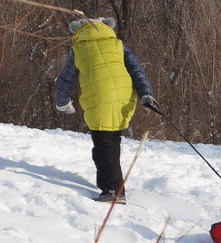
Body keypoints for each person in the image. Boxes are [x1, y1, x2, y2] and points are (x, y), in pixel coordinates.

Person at [54, 17, 160, 203]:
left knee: (103, 146)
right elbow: (137, 70)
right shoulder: (118, 45)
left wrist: (62, 102)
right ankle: (110, 183)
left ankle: (113, 191)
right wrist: (146, 94)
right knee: (112, 140)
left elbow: (66, 80)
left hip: (99, 97)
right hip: (124, 97)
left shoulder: (79, 49)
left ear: (78, 32)